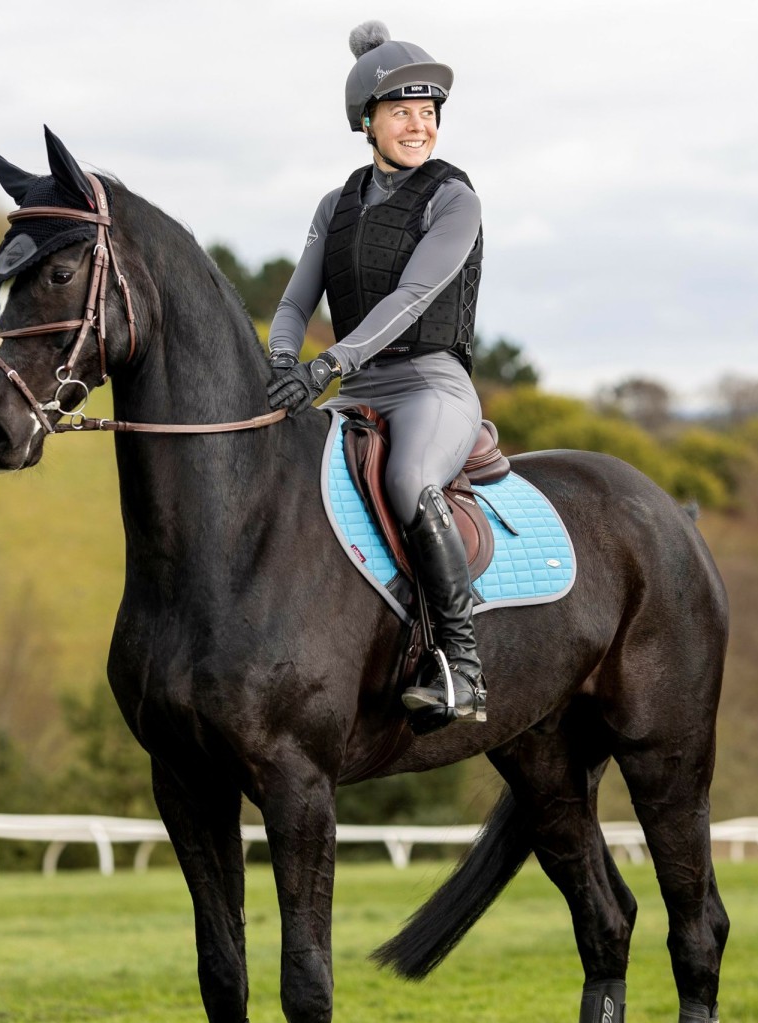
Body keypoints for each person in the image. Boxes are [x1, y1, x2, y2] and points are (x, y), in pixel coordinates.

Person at [266, 20, 487, 725]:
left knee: (406, 480)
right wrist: (278, 362)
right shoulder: (335, 206)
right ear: (367, 121)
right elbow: (298, 298)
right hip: (356, 390)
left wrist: (328, 363)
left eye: (428, 115)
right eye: (402, 113)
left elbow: (413, 296)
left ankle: (461, 664)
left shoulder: (455, 200)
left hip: (428, 385)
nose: (418, 127)